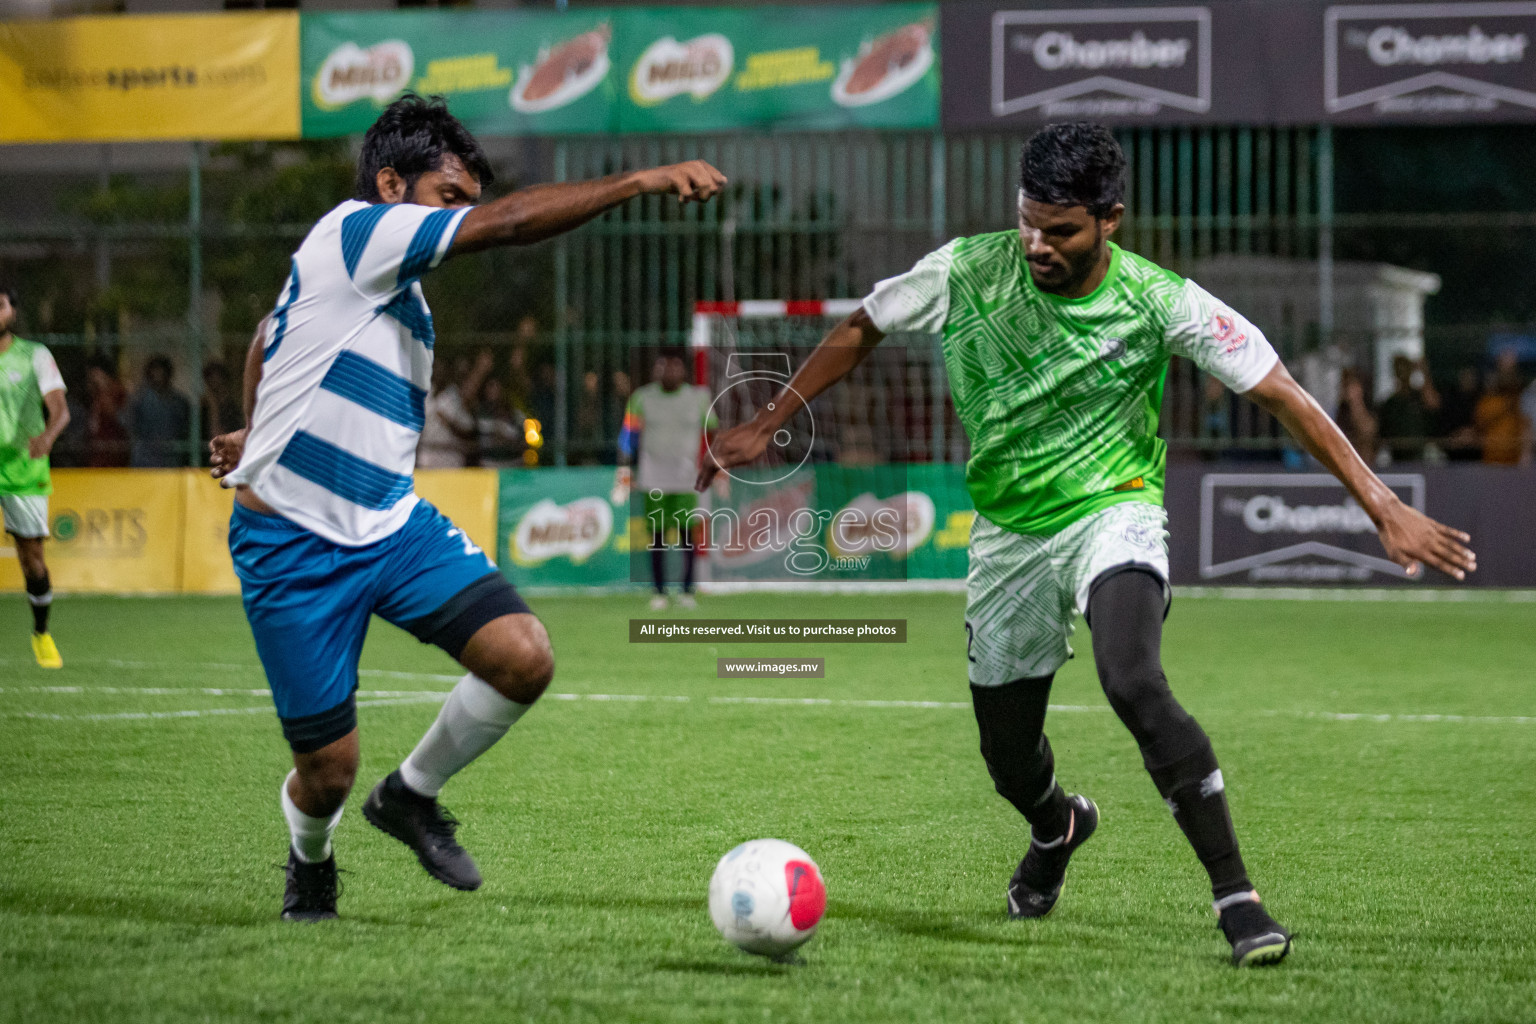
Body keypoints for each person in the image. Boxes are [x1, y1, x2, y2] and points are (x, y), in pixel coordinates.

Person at [700, 123, 1476, 968]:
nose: (1037, 242)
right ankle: (1057, 824)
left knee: (1133, 677)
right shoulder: (966, 270)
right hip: (1008, 532)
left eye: (1059, 229)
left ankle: (1238, 899)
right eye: (1029, 221)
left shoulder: (1158, 299)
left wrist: (1379, 502)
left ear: (1111, 218)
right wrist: (772, 422)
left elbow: (1280, 390)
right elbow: (864, 324)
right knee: (1007, 757)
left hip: (1116, 509)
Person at [207, 93, 724, 922]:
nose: (465, 217)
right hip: (293, 546)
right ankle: (312, 858)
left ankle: (410, 796)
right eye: (450, 197)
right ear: (389, 183)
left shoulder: (397, 289)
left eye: (468, 202)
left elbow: (269, 333)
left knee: (524, 657)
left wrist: (251, 424)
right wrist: (640, 180)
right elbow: (514, 223)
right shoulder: (357, 230)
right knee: (327, 771)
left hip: (390, 525)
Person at [0, 284, 69, 668]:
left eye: (0, 305)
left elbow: (60, 409)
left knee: (32, 561)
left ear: (12, 311)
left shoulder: (34, 356)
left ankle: (41, 633)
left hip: (22, 469)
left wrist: (47, 436)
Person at [619, 351, 715, 610]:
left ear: (683, 370)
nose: (668, 372)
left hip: (687, 480)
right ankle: (659, 592)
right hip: (654, 479)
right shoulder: (641, 398)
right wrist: (624, 470)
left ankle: (687, 591)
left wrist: (715, 466)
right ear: (655, 370)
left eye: (674, 366)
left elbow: (713, 431)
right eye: (663, 367)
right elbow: (628, 434)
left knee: (688, 536)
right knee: (658, 538)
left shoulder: (698, 398)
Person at [418, 350, 494, 468]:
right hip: (427, 457)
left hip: (451, 460)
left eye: (441, 369)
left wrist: (449, 424)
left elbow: (467, 432)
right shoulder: (424, 393)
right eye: (436, 368)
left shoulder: (454, 395)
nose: (438, 372)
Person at [125, 355, 191, 467]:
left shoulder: (179, 401)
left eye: (161, 372)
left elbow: (185, 429)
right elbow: (128, 423)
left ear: (168, 374)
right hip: (145, 458)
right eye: (155, 372)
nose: (158, 376)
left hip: (170, 459)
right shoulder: (140, 399)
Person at [1376, 354, 1440, 463]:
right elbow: (1382, 434)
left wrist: (1423, 371)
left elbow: (1433, 403)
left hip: (1421, 456)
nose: (1402, 373)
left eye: (1405, 368)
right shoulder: (1390, 403)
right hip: (1397, 458)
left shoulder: (1418, 396)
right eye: (1399, 369)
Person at [1474, 349, 1533, 466]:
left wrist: (1526, 453)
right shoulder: (1488, 400)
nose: (1508, 373)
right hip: (1492, 460)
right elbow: (1480, 424)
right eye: (1504, 368)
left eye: (1511, 369)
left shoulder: (1522, 397)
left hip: (1515, 462)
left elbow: (1527, 427)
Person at [1334, 367, 1379, 465]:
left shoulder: (1370, 411)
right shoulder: (1339, 413)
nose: (1345, 388)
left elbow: (1367, 432)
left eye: (1349, 385)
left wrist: (1355, 401)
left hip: (1366, 466)